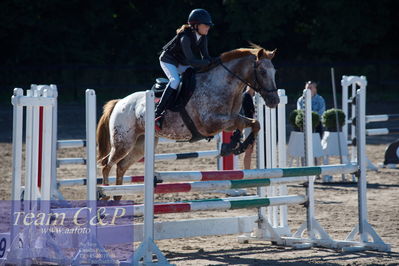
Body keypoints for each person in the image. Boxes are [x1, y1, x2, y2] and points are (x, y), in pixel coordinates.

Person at [155, 8, 220, 130]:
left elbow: (206, 57)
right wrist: (208, 62)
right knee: (175, 81)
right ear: (196, 25)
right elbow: (192, 61)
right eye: (206, 25)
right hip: (168, 60)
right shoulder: (185, 37)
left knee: (195, 78)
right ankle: (157, 113)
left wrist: (217, 61)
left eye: (208, 25)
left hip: (181, 62)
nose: (208, 27)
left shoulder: (203, 37)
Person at [241, 87, 256, 169]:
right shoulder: (246, 96)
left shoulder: (250, 96)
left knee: (250, 151)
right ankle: (246, 171)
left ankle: (248, 169)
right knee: (248, 150)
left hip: (251, 126)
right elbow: (250, 113)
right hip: (248, 126)